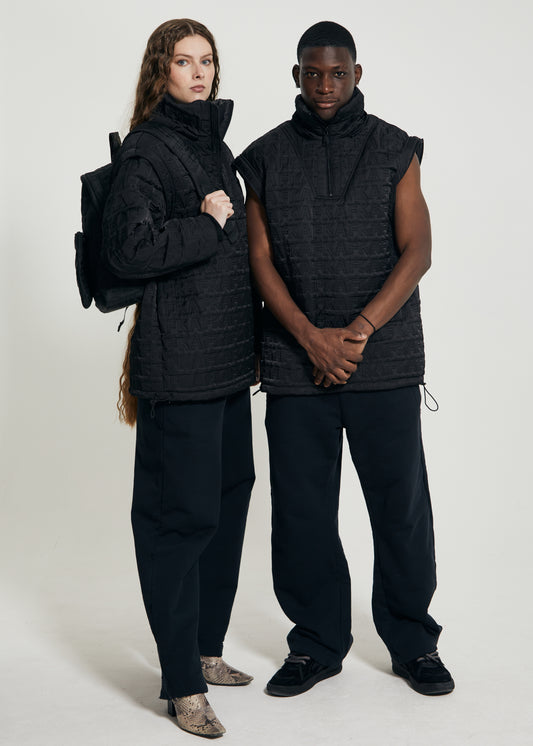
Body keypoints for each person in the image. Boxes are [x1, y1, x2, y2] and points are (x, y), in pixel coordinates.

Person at [235, 20, 454, 698]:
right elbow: (258, 259)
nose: (324, 84)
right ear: (296, 76)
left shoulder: (395, 148)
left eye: (337, 73)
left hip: (382, 361)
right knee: (302, 512)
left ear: (356, 74)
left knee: (400, 508)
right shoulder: (263, 157)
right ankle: (316, 643)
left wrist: (355, 332)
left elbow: (418, 250)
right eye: (312, 73)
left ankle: (413, 642)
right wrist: (310, 338)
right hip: (294, 362)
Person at [102, 19, 256, 738]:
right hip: (179, 365)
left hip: (228, 363)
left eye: (207, 60)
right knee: (181, 519)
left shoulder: (214, 146)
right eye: (184, 61)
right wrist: (205, 221)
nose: (199, 72)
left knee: (227, 504)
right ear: (160, 70)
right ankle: (181, 684)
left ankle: (205, 650)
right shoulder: (146, 149)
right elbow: (129, 250)